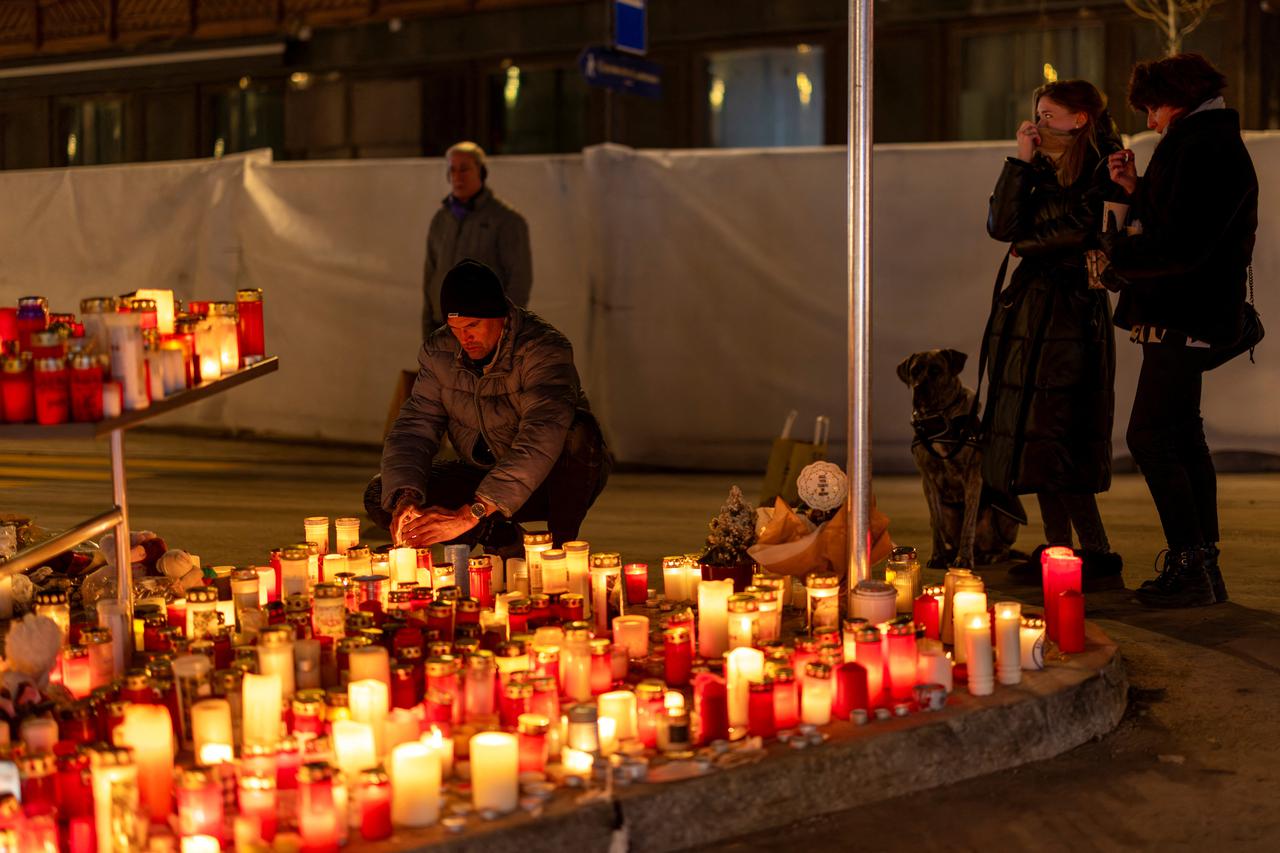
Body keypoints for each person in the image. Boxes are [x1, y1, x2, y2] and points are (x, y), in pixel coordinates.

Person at [1100, 53, 1258, 608]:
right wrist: (1137, 186)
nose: (1149, 120)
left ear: (1178, 96)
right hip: (1188, 312)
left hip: (1183, 314)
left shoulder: (1204, 145)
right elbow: (1178, 219)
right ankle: (1202, 565)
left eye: (1152, 108)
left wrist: (1117, 255)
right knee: (1182, 433)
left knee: (1151, 436)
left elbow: (1182, 242)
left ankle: (1191, 566)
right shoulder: (1202, 139)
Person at [984, 79, 1125, 588]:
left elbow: (1088, 225)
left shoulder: (1104, 160)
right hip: (1031, 312)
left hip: (1071, 311)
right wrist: (1019, 161)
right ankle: (1059, 545)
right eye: (1036, 114)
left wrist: (1028, 246)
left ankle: (1096, 552)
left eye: (1049, 115)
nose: (1038, 124)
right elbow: (1001, 225)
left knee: (1064, 428)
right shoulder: (1039, 164)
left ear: (1080, 117)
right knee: (1039, 434)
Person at [367, 259, 610, 554]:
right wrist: (405, 500)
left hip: (547, 481)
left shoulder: (542, 350)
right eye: (455, 327)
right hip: (481, 475)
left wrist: (469, 515)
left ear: (501, 316)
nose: (464, 338)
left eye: (472, 325)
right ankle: (501, 535)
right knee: (383, 492)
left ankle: (559, 551)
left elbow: (540, 439)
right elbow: (414, 429)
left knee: (579, 432)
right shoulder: (439, 351)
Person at [421, 142, 532, 338]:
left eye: (464, 169)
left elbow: (519, 280)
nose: (457, 176)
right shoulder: (441, 220)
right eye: (452, 170)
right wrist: (428, 329)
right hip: (444, 329)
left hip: (483, 332)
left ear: (481, 171)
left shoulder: (505, 220)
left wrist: (504, 331)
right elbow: (431, 275)